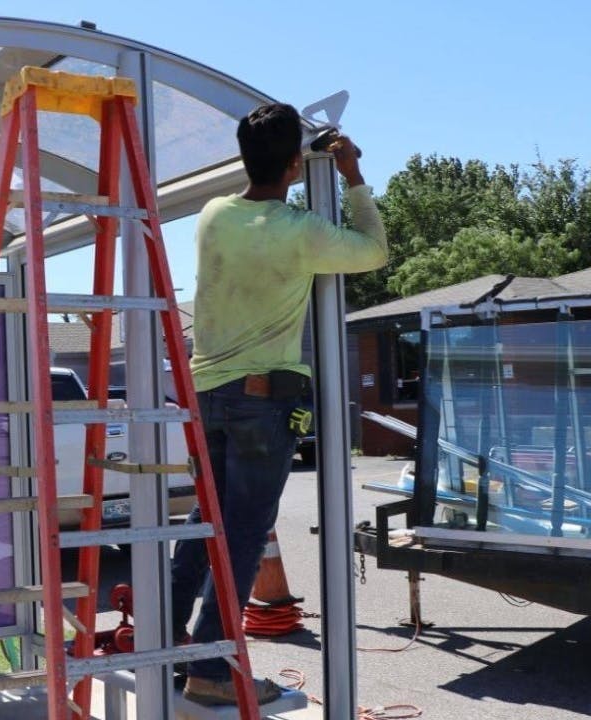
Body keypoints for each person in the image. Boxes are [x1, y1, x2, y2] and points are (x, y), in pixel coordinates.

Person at [170, 103, 387, 707]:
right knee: (240, 534)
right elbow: (373, 250)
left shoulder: (214, 215)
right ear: (297, 163)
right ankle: (212, 666)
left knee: (204, 521)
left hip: (206, 393)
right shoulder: (298, 232)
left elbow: (262, 197)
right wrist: (350, 177)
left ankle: (165, 646)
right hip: (260, 400)